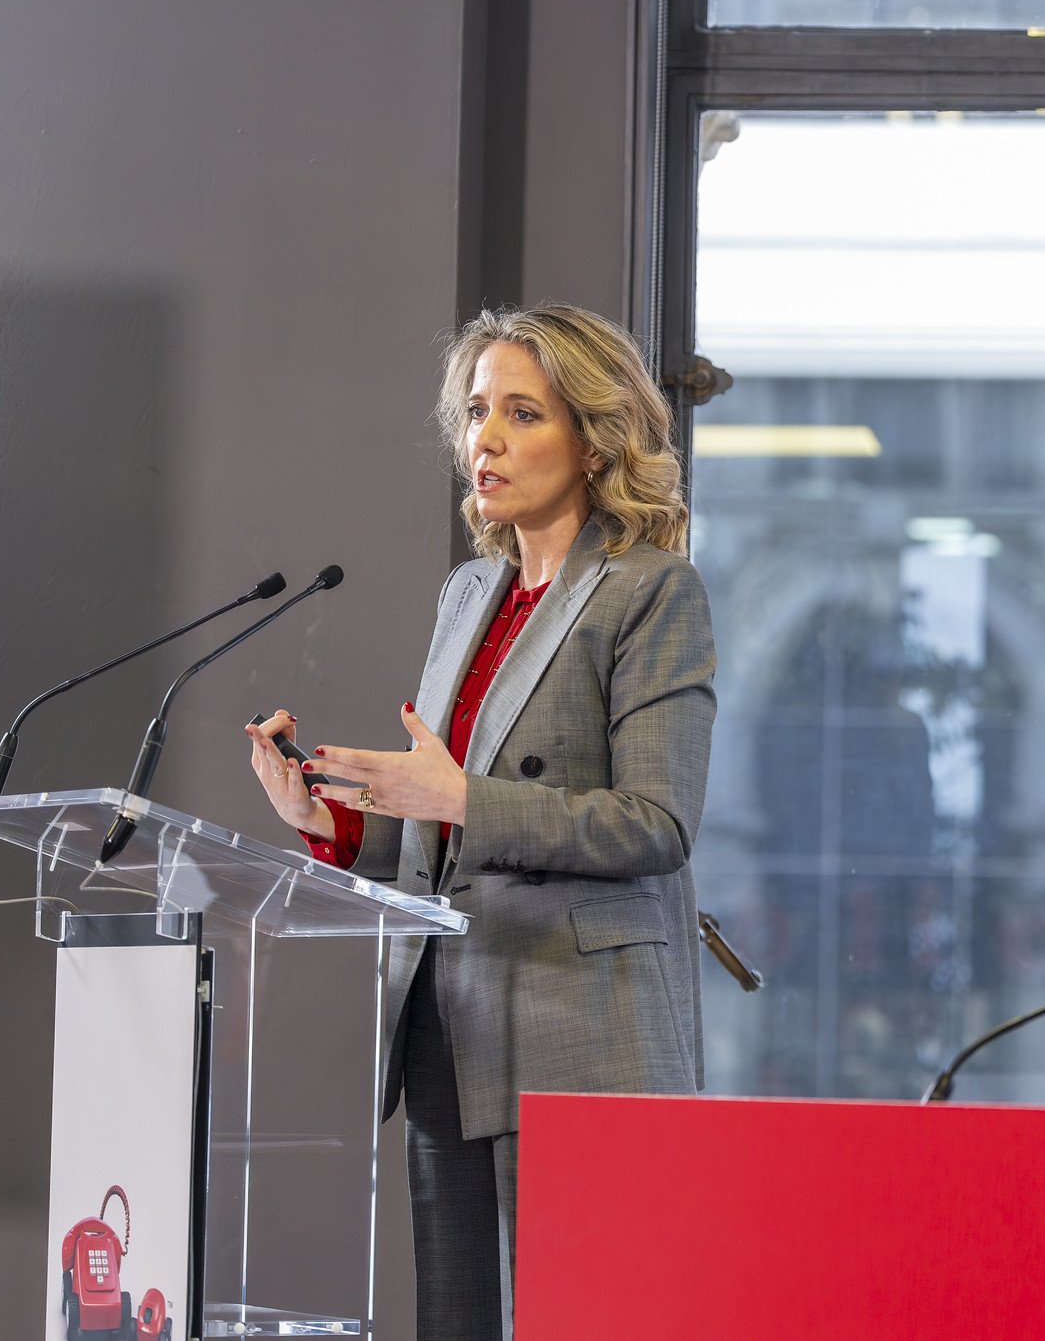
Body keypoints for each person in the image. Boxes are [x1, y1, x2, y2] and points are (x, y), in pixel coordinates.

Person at [243, 303, 714, 1337]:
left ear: (593, 439)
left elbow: (655, 823)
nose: (482, 442)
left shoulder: (651, 594)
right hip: (451, 1019)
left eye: (520, 414)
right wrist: (331, 818)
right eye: (472, 413)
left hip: (581, 1037)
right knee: (455, 1319)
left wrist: (457, 796)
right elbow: (443, 829)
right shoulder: (470, 593)